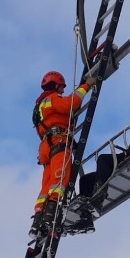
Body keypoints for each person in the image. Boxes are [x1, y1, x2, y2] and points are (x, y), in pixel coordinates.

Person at [29, 71, 96, 238]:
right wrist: (86, 86)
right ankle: (51, 216)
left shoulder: (39, 105)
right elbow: (70, 104)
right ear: (56, 85)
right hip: (58, 141)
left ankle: (38, 220)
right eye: (61, 87)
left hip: (46, 146)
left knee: (47, 185)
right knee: (60, 179)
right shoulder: (51, 99)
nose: (62, 90)